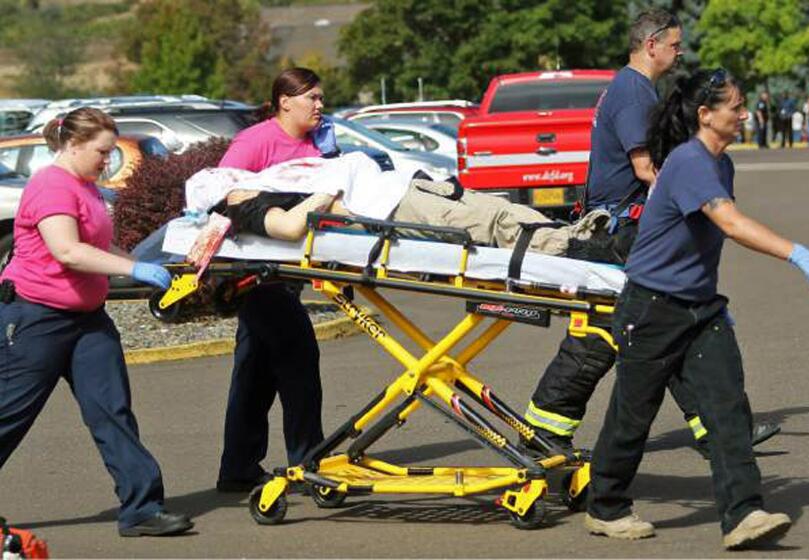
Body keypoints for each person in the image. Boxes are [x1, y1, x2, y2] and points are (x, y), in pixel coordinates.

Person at [583, 68, 809, 549]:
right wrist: (795, 252)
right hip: (651, 308)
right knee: (633, 415)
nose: (744, 115)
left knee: (727, 408)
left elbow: (706, 239)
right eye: (736, 107)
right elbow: (732, 224)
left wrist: (705, 294)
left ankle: (744, 514)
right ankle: (605, 506)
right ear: (705, 114)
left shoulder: (722, 163)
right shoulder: (690, 162)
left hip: (700, 309)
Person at [521, 9, 778, 459]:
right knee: (611, 337)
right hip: (618, 237)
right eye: (675, 46)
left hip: (620, 232)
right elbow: (646, 169)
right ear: (652, 43)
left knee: (659, 328)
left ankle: (718, 430)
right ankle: (544, 429)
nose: (679, 54)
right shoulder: (634, 94)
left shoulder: (632, 89)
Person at [0, 108, 193, 537]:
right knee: (9, 414)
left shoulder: (85, 187)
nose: (108, 161)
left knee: (112, 411)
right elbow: (68, 251)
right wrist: (134, 271)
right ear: (72, 145)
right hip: (36, 319)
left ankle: (141, 509)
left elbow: (104, 247)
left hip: (87, 320)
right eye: (102, 152)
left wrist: (153, 260)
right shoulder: (50, 186)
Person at [214, 68, 334, 493]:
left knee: (256, 369)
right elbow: (224, 194)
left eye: (321, 99)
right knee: (299, 358)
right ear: (285, 100)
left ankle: (238, 467)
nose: (320, 106)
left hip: (287, 271)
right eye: (312, 98)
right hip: (256, 275)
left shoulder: (313, 145)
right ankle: (308, 461)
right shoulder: (256, 141)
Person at [186, 151, 610, 255]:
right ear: (220, 198)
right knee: (490, 223)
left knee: (495, 210)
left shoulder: (263, 183)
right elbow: (293, 228)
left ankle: (579, 235)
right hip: (389, 210)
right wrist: (332, 186)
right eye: (225, 182)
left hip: (403, 189)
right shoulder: (250, 208)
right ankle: (578, 248)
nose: (233, 176)